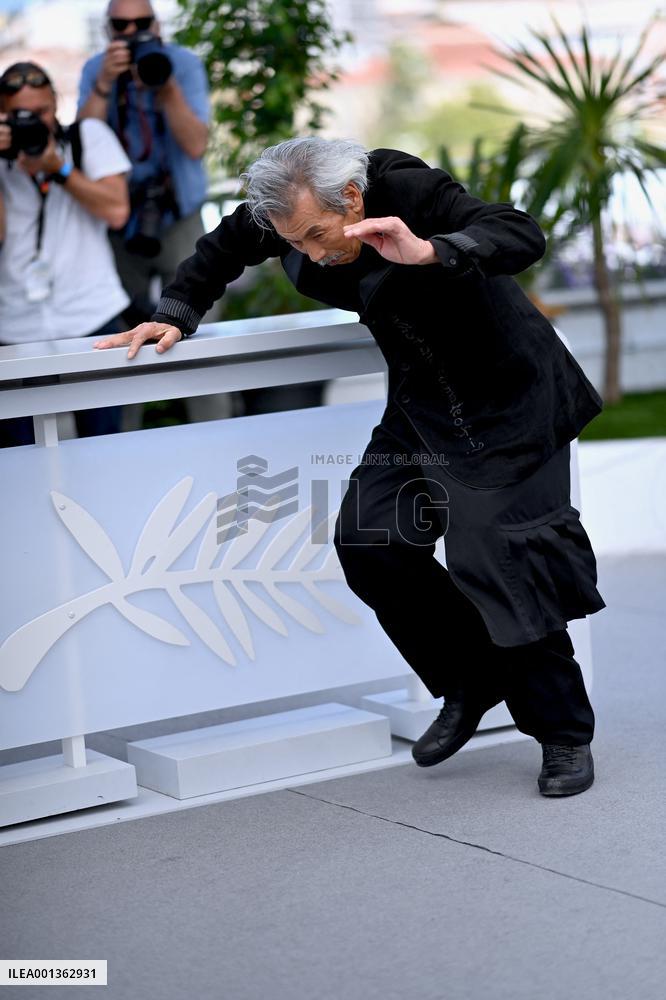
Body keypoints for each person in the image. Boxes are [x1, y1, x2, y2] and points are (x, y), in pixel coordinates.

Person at [92, 136, 608, 798]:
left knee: (501, 560)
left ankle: (564, 733)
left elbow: (517, 233)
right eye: (293, 242)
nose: (307, 251)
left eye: (314, 235)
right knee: (370, 539)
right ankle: (470, 678)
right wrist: (174, 314)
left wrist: (432, 250)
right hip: (422, 403)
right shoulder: (283, 211)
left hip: (510, 398)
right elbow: (220, 250)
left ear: (354, 199)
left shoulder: (408, 189)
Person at [0, 61, 131, 446]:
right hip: (15, 325)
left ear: (55, 103)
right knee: (18, 458)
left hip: (92, 317)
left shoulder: (87, 136)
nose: (33, 123)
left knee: (105, 446)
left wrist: (60, 169)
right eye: (18, 115)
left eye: (40, 112)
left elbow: (117, 211)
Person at [77, 0, 215, 327]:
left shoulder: (182, 64)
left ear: (156, 26)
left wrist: (166, 88)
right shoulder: (97, 69)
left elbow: (195, 145)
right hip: (122, 216)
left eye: (141, 24)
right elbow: (82, 142)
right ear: (107, 29)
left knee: (197, 316)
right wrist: (104, 85)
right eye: (120, 25)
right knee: (124, 324)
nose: (131, 33)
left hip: (179, 211)